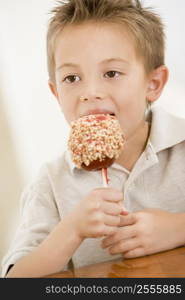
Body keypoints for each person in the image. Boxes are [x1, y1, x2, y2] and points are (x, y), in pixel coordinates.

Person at [2, 0, 185, 278]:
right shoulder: (50, 183)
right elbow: (15, 281)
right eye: (72, 78)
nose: (90, 92)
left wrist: (177, 228)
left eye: (111, 73)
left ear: (153, 84)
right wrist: (71, 230)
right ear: (56, 94)